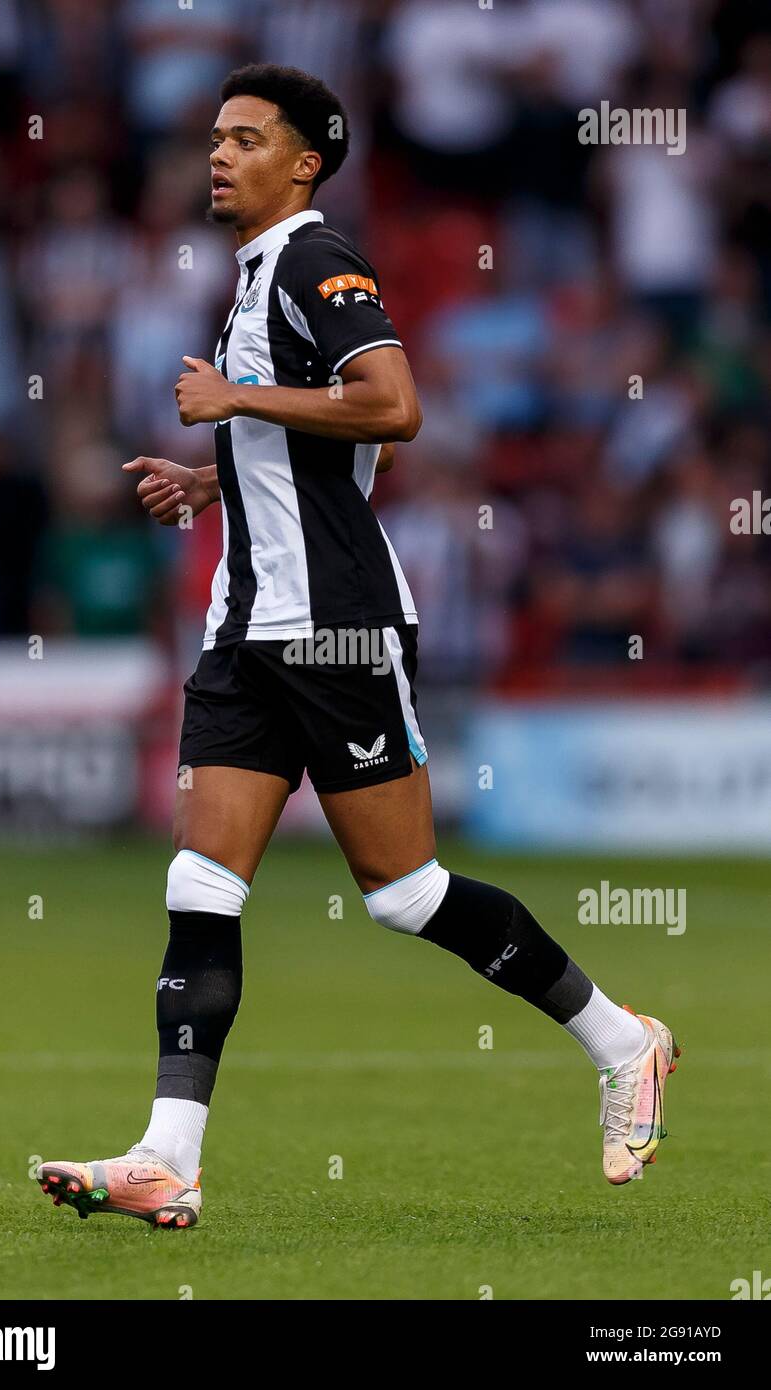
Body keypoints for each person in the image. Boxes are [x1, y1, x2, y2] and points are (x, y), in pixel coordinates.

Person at [37, 65, 679, 1230]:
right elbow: (307, 449)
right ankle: (168, 1155)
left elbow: (393, 405)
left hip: (335, 624)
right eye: (216, 137)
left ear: (305, 164)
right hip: (246, 627)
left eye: (246, 139)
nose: (219, 156)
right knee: (200, 880)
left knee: (405, 892)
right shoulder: (249, 280)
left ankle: (624, 1040)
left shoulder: (317, 260)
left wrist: (236, 404)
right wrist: (213, 474)